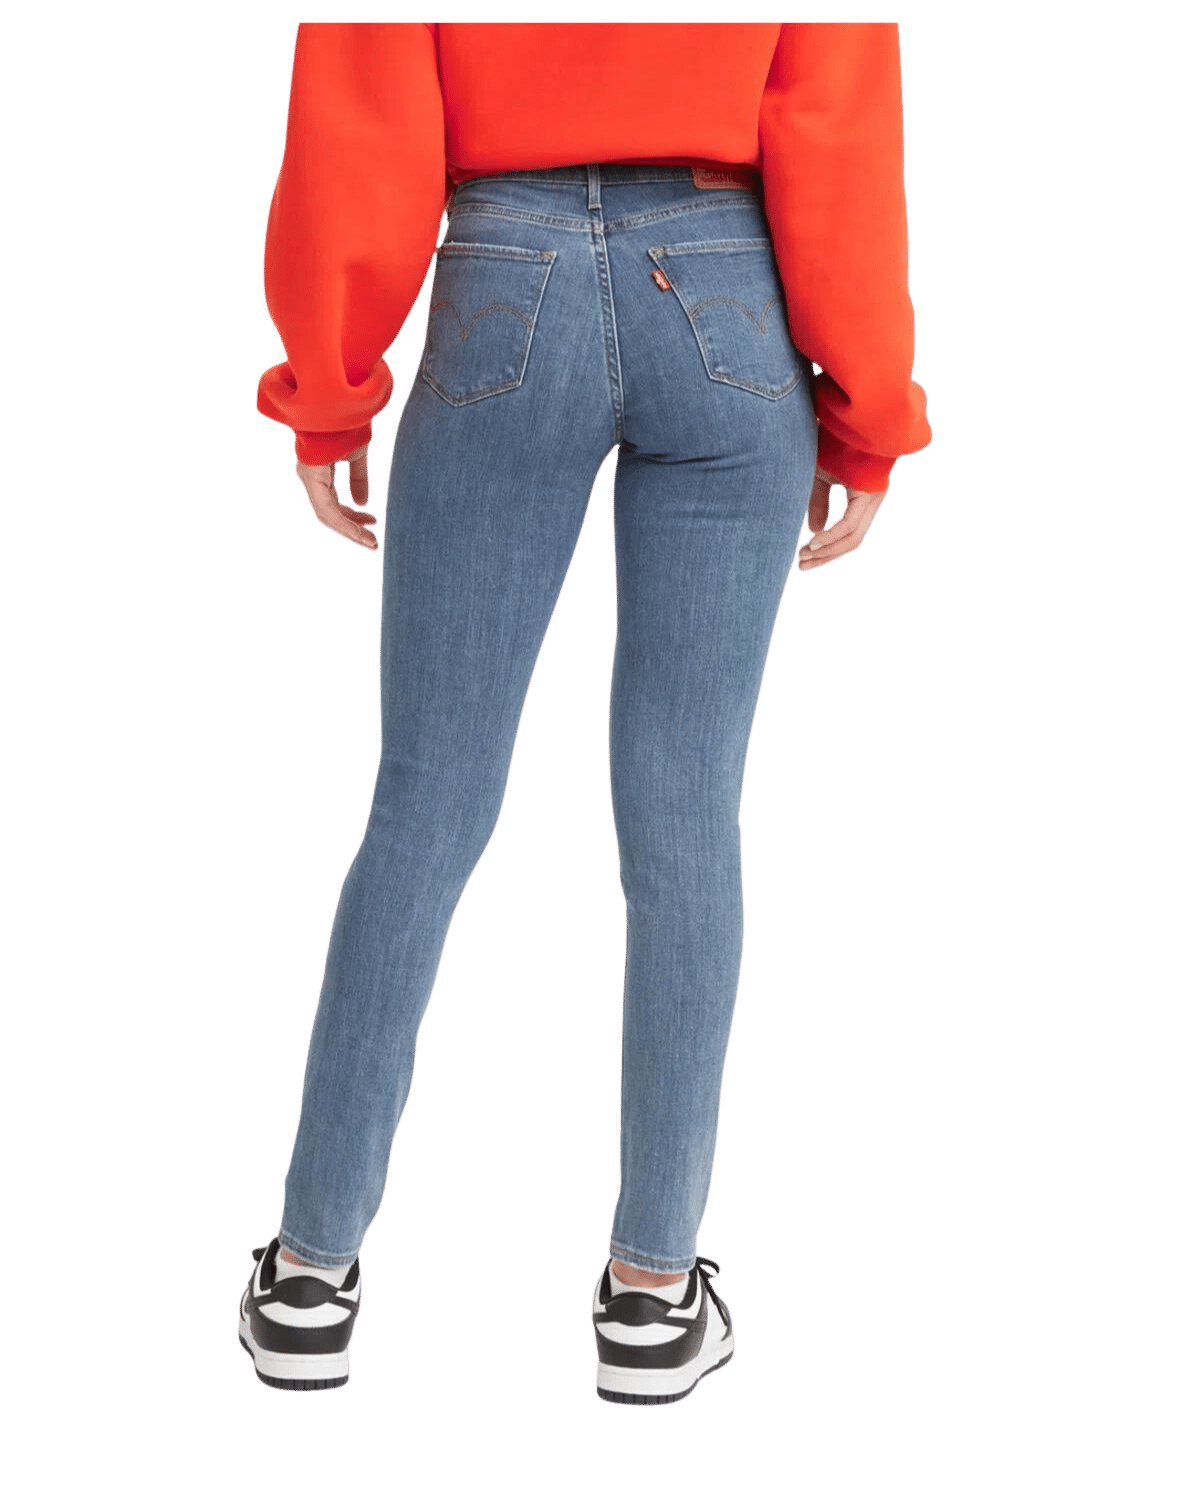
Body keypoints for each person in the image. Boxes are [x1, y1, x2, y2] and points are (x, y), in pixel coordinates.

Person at [239, 21, 932, 1403]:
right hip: (729, 289)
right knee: (687, 812)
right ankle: (653, 1299)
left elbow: (361, 114)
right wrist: (871, 414)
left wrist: (329, 392)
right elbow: (837, 127)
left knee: (424, 804)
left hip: (505, 273)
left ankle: (310, 1281)